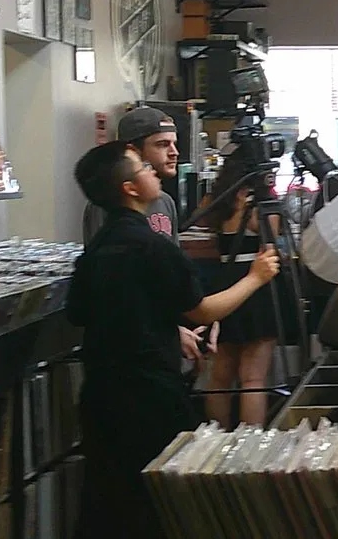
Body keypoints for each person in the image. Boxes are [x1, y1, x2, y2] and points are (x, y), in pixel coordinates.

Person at [68, 141, 279, 538]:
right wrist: (256, 277)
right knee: (161, 502)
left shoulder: (98, 246)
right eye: (142, 166)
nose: (152, 169)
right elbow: (203, 311)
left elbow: (83, 312)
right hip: (149, 396)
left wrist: (166, 327)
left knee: (106, 501)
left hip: (99, 396)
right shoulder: (152, 246)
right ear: (130, 188)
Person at [82, 105, 214, 363]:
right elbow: (112, 290)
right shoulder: (106, 208)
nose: (174, 152)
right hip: (127, 348)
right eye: (162, 144)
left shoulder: (165, 202)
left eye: (174, 143)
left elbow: (171, 284)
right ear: (132, 151)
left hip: (163, 339)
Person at [201, 151, 290, 428]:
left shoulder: (216, 199)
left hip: (224, 283)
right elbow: (270, 240)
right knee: (253, 377)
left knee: (221, 373)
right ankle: (250, 442)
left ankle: (214, 438)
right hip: (256, 282)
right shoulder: (258, 203)